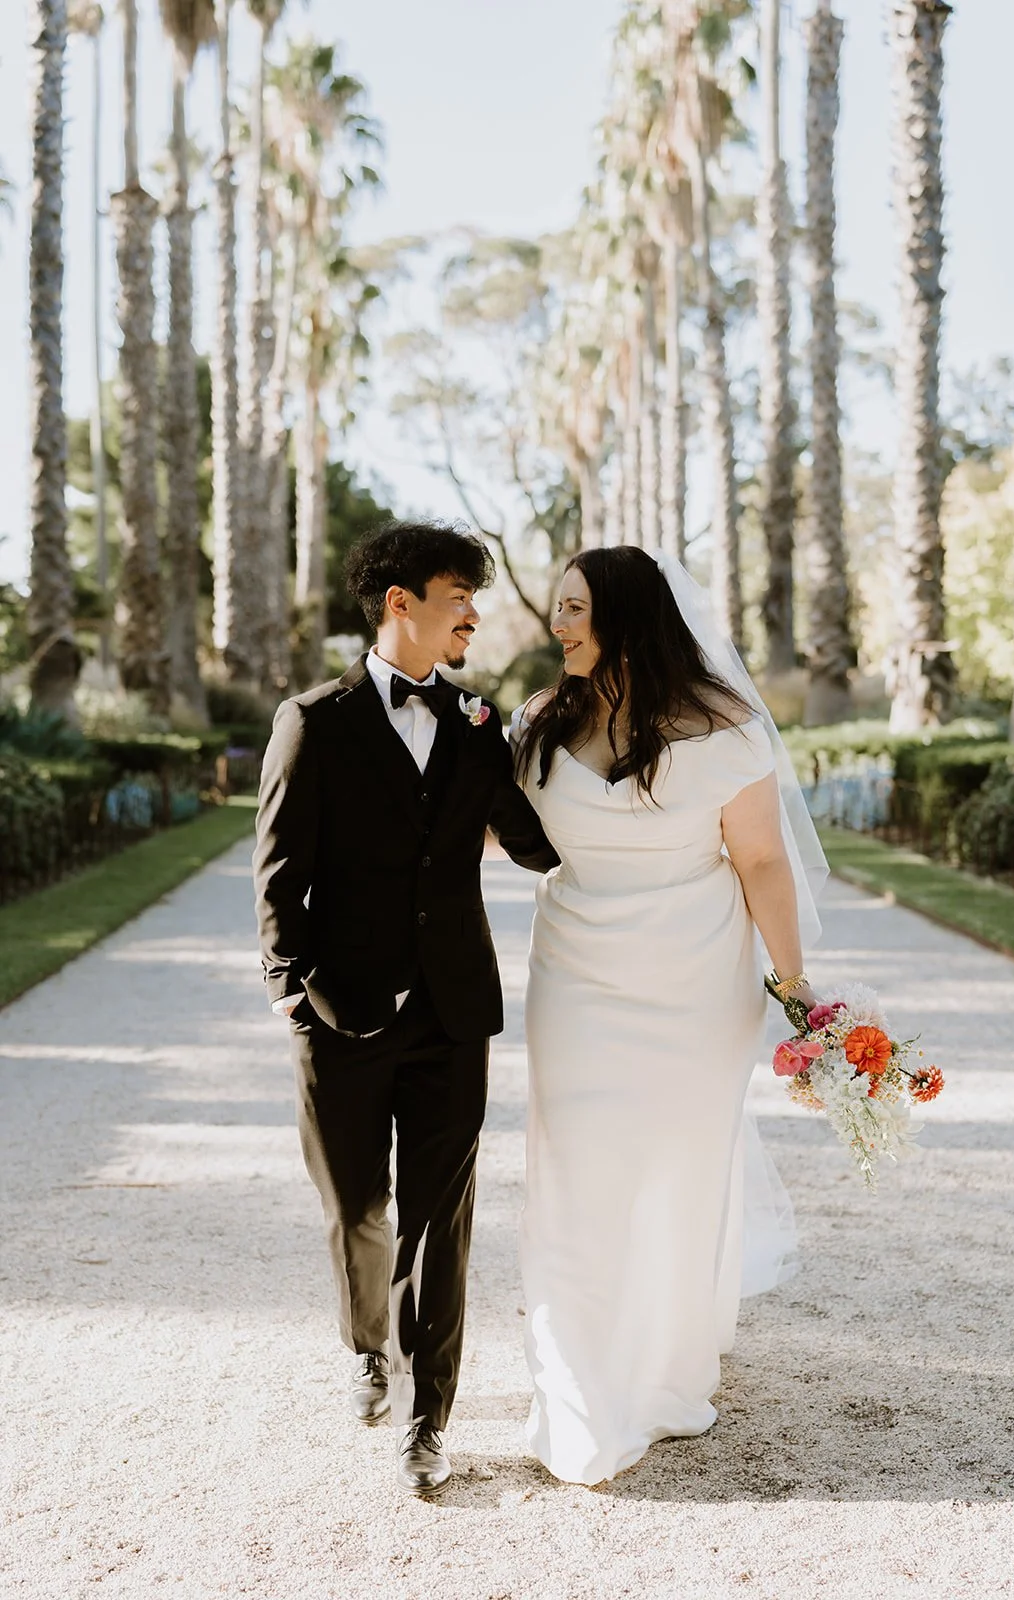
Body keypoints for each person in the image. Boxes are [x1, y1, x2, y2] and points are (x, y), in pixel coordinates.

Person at [253, 520, 558, 1497]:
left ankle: (429, 1417)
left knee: (439, 1219)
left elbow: (532, 842)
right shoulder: (312, 719)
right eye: (455, 594)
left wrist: (570, 732)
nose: (473, 610)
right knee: (358, 1208)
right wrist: (298, 998)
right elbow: (277, 880)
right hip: (339, 1016)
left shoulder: (475, 722)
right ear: (399, 604)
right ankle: (364, 1344)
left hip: (451, 1013)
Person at [511, 545, 826, 1486]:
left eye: (573, 609)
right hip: (573, 971)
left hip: (695, 977)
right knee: (573, 1169)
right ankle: (577, 1385)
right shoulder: (532, 721)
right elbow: (488, 829)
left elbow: (762, 863)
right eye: (557, 609)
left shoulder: (727, 728)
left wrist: (794, 987)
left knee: (678, 1170)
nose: (556, 625)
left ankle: (663, 1368)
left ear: (626, 615)